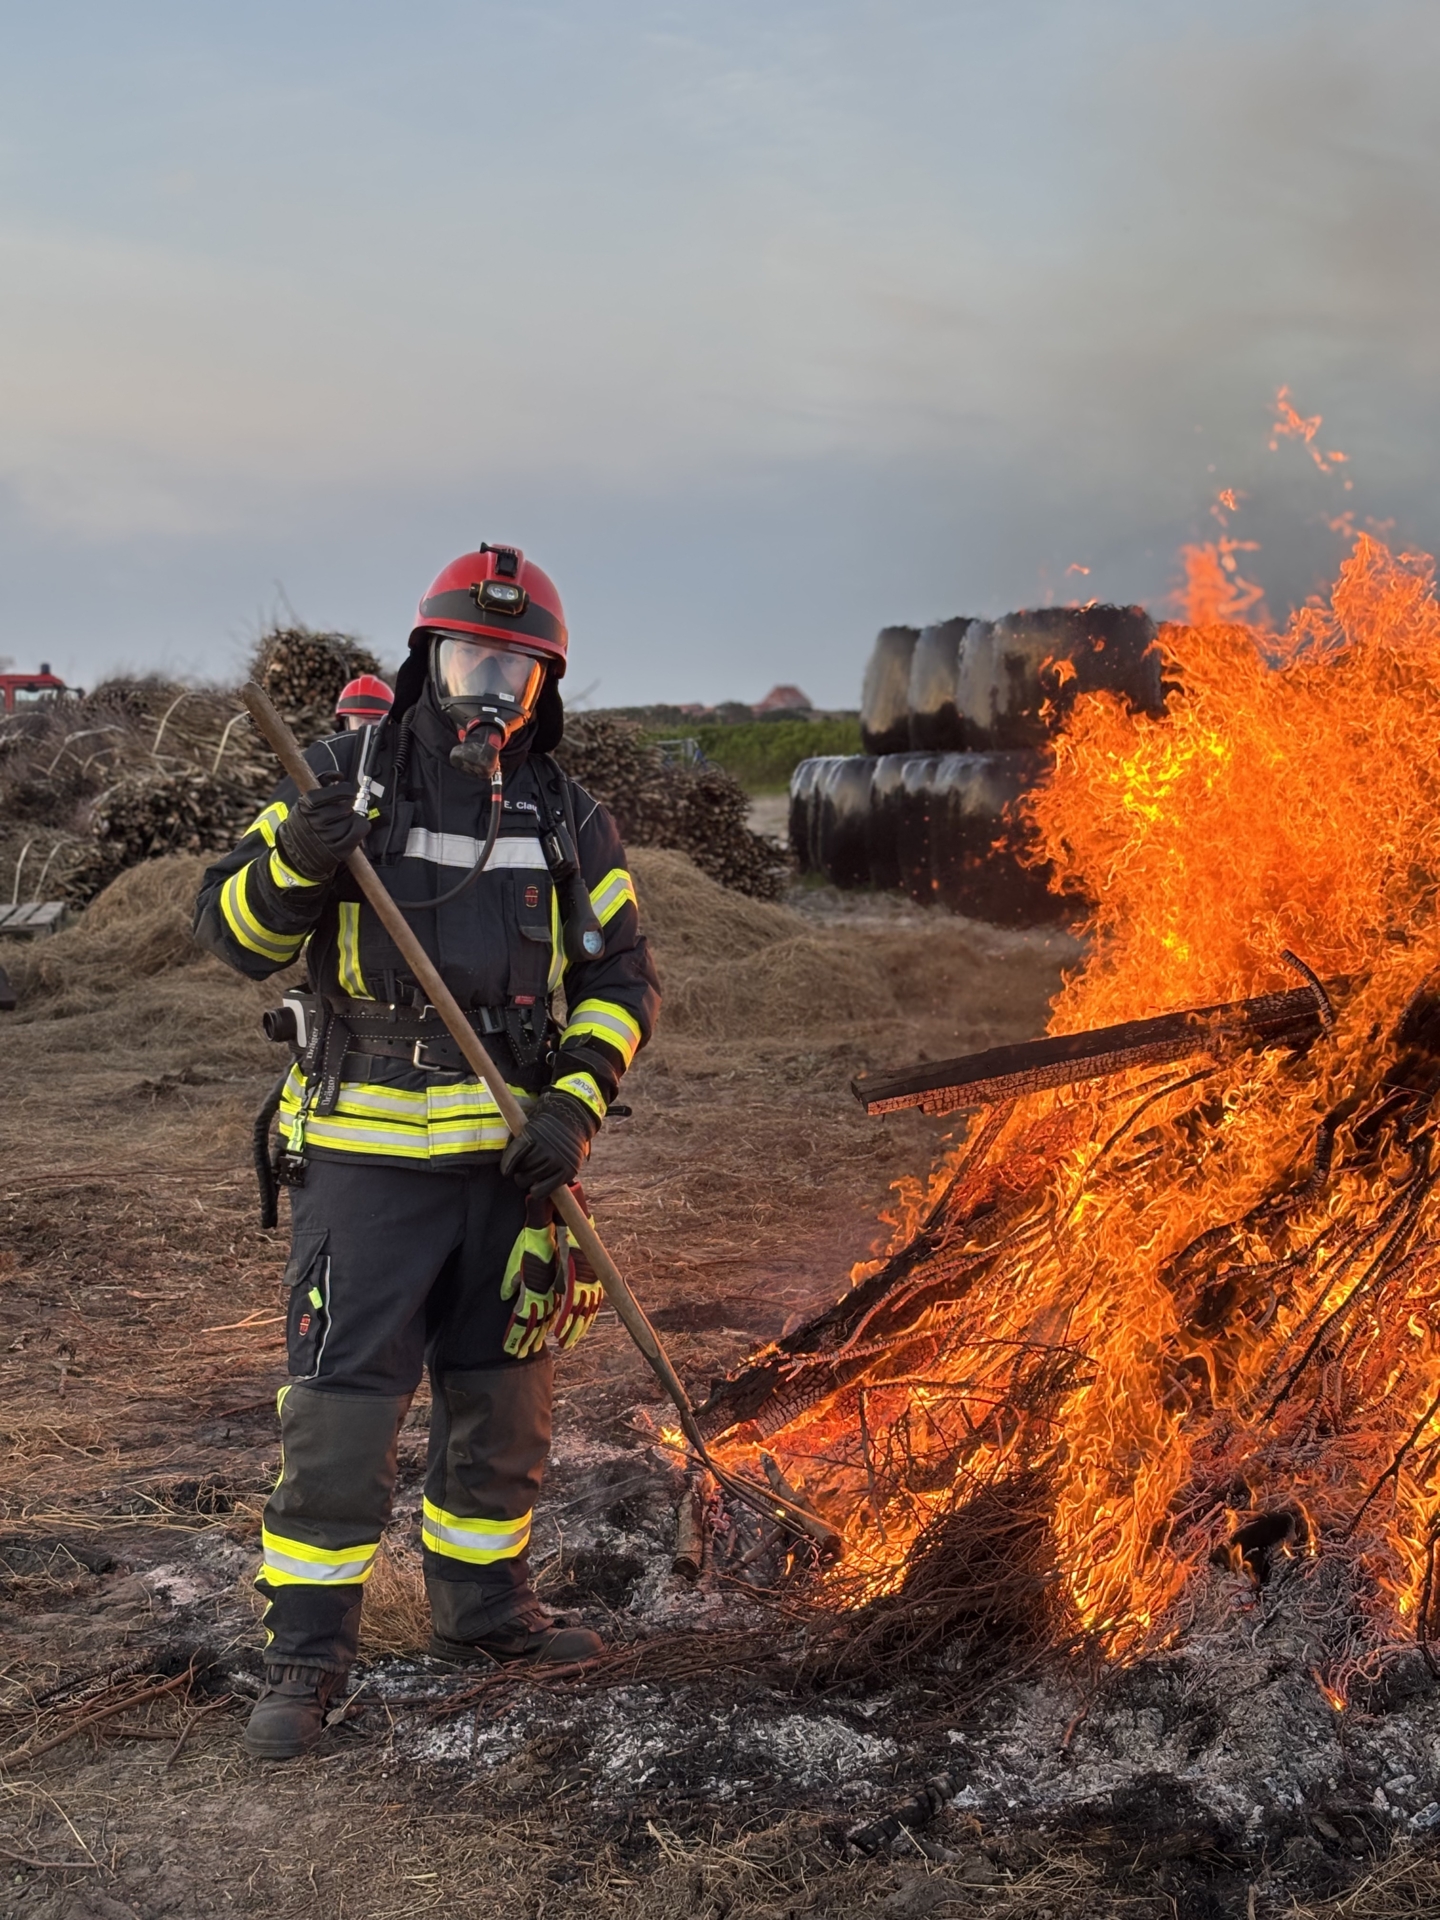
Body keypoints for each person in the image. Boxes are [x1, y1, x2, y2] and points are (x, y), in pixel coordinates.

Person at [194, 544, 659, 1760]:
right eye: (468, 658)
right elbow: (229, 930)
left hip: (513, 1167)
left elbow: (620, 977)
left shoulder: (565, 811)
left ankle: (484, 1613)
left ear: (543, 685)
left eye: (515, 669)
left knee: (503, 1404)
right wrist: (301, 854)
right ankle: (305, 1659)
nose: (487, 690)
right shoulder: (344, 775)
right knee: (343, 1421)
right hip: (367, 1167)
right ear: (424, 660)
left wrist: (574, 1109)